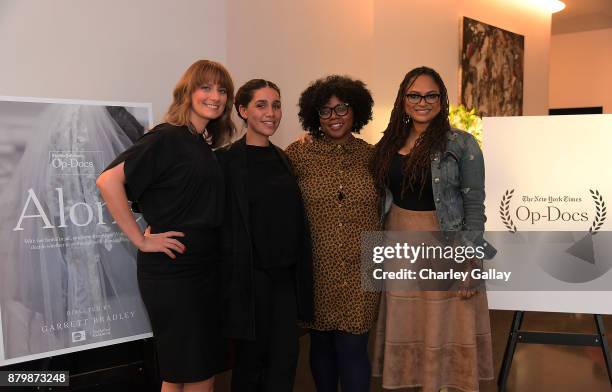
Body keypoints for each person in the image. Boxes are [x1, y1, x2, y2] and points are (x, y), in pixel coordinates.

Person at [96, 59, 235, 392]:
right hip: (175, 272)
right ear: (187, 92)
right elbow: (107, 181)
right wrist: (141, 241)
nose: (215, 96)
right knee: (195, 370)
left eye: (222, 90)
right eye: (206, 87)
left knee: (188, 370)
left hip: (202, 267)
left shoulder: (201, 143)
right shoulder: (167, 137)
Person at [370, 66, 494, 391]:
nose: (422, 101)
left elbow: (474, 208)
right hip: (398, 243)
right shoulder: (388, 143)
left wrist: (471, 262)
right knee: (407, 323)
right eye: (414, 95)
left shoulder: (463, 145)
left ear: (441, 100)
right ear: (403, 99)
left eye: (430, 95)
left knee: (443, 325)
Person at [285, 75, 380, 392]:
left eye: (342, 108)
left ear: (356, 111)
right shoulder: (297, 155)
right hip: (317, 269)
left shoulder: (374, 157)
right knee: (321, 346)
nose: (334, 117)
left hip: (362, 269)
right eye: (325, 111)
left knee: (353, 348)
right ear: (315, 116)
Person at [218, 79, 314, 391]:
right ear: (243, 110)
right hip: (249, 281)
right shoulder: (224, 161)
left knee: (285, 363)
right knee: (249, 366)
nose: (270, 112)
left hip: (285, 281)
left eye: (276, 105)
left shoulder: (283, 158)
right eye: (261, 105)